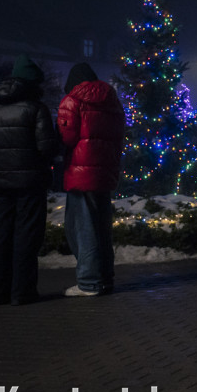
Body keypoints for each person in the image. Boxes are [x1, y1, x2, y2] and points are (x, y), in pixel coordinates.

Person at [0, 55, 58, 306]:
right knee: (26, 235)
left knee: (0, 234)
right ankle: (22, 292)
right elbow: (47, 147)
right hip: (30, 182)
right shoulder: (36, 109)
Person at [57, 62, 125, 297]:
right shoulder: (113, 101)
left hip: (80, 173)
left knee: (82, 229)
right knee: (101, 227)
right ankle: (105, 279)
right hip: (105, 172)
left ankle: (88, 282)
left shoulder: (72, 101)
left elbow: (67, 137)